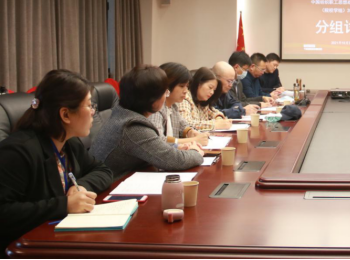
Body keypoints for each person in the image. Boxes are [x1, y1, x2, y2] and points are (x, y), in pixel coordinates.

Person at [0, 70, 114, 250]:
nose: (93, 112)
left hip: (61, 238)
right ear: (65, 115)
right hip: (25, 248)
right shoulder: (18, 151)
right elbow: (5, 213)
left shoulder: (69, 142)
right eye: (89, 105)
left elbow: (102, 170)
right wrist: (64, 205)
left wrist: (81, 187)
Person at [91, 65, 204, 180]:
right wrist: (195, 151)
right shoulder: (132, 126)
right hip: (114, 187)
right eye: (165, 92)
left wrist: (176, 147)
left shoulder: (123, 114)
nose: (166, 96)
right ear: (152, 99)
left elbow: (150, 146)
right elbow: (175, 161)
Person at [148, 63, 208, 146]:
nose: (186, 91)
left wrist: (190, 132)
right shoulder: (156, 108)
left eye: (187, 86)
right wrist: (193, 140)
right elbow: (159, 140)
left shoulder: (173, 106)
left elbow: (182, 125)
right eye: (182, 86)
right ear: (167, 85)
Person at [177, 67, 232, 131]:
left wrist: (219, 118)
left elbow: (213, 112)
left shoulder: (202, 101)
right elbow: (186, 123)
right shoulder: (185, 99)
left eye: (214, 90)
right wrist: (214, 125)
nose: (212, 92)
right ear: (199, 83)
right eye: (210, 87)